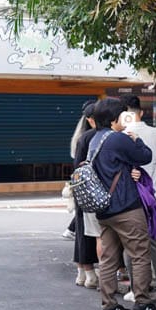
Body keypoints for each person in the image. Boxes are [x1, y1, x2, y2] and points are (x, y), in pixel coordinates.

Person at [89, 97, 156, 310]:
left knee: (109, 258)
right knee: (140, 253)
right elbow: (145, 156)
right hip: (125, 206)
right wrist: (137, 140)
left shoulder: (95, 139)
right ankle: (142, 301)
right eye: (123, 115)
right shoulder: (117, 139)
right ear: (114, 118)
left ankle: (109, 304)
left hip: (104, 209)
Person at [121, 95, 156, 302]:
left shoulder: (122, 135)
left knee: (131, 243)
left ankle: (136, 287)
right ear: (141, 112)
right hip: (153, 193)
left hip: (131, 196)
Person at [70, 99, 99, 288]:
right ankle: (89, 272)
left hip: (82, 190)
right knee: (97, 233)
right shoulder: (100, 136)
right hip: (98, 191)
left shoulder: (81, 137)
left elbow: (76, 167)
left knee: (82, 231)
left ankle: (84, 272)